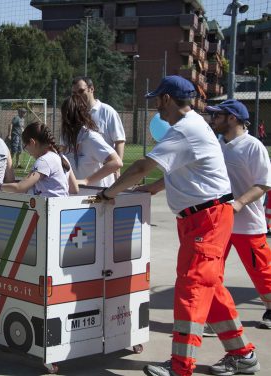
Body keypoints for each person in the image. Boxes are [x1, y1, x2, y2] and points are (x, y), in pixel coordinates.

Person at [98, 76, 259, 376]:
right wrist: (155, 189)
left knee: (192, 288)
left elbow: (141, 167)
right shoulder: (190, 127)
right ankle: (243, 354)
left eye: (157, 100)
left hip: (207, 219)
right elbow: (182, 172)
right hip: (202, 218)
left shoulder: (185, 129)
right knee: (211, 288)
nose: (156, 106)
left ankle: (180, 366)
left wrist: (109, 193)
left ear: (167, 100)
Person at [206, 99, 271, 330]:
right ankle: (217, 318)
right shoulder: (216, 145)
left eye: (217, 116)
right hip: (218, 223)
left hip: (248, 224)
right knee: (211, 273)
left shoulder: (254, 147)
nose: (213, 120)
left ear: (232, 118)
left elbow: (263, 184)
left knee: (262, 272)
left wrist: (239, 203)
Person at [0, 121, 79, 197]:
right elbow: (74, 189)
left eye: (26, 147)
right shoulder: (62, 157)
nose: (29, 153)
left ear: (32, 142)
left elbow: (20, 188)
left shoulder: (44, 161)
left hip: (47, 210)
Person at [59, 94, 123, 187]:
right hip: (77, 194)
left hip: (97, 196)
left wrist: (86, 181)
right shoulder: (66, 137)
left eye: (69, 116)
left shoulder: (91, 137)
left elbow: (116, 162)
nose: (65, 120)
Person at [72, 76, 126, 177]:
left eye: (80, 91)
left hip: (103, 176)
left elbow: (119, 141)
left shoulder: (107, 112)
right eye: (74, 93)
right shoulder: (74, 114)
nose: (77, 96)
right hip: (81, 175)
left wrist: (116, 170)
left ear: (91, 89)